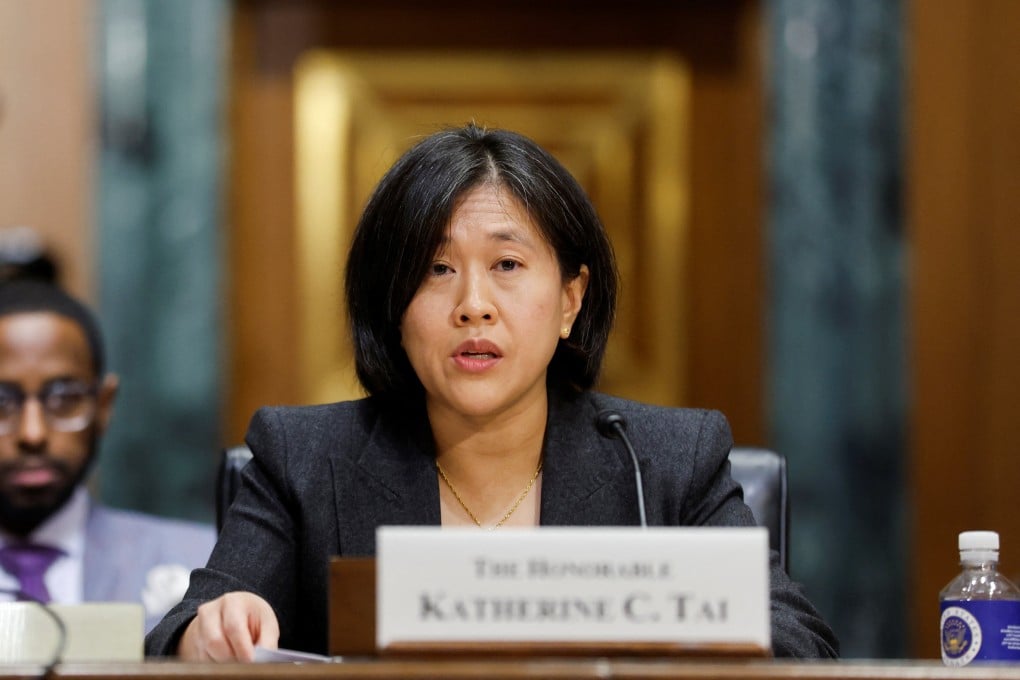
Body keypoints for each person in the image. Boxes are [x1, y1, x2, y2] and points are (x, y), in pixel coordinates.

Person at [146, 123, 839, 660]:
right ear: (392, 305)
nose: (473, 305)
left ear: (571, 299)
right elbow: (183, 628)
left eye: (507, 264)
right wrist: (210, 633)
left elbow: (797, 640)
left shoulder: (666, 462)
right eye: (436, 269)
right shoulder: (302, 458)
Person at [0, 280, 215, 631]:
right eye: (2, 402)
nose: (32, 433)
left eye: (64, 398)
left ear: (103, 405)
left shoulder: (203, 563)